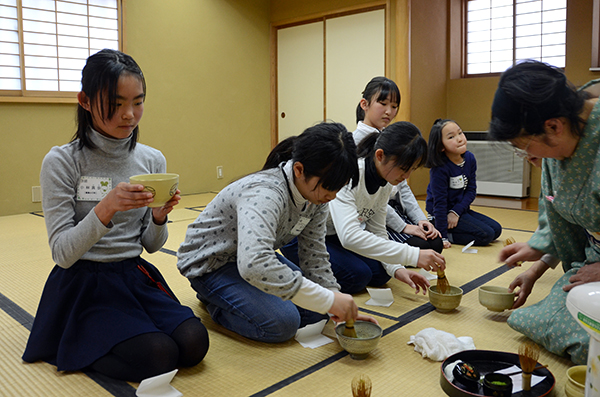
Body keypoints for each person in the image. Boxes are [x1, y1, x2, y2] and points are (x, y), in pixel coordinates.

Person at [22, 49, 209, 382]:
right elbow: (63, 253)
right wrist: (106, 207)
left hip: (133, 274)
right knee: (159, 355)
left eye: (138, 102)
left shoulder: (152, 160)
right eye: (116, 103)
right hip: (84, 281)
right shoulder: (63, 162)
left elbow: (152, 246)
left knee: (194, 344)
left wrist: (158, 217)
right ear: (85, 100)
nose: (129, 115)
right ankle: (75, 341)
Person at [177, 122, 376, 343]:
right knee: (283, 323)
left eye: (339, 188)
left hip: (249, 260)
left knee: (317, 310)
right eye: (329, 187)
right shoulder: (266, 193)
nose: (333, 196)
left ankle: (236, 298)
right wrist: (328, 299)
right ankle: (215, 301)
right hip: (211, 264)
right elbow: (254, 263)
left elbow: (314, 255)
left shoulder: (316, 198)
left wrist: (334, 299)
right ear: (299, 170)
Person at [490, 60, 600, 365]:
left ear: (553, 126)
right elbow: (561, 216)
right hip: (592, 261)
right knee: (538, 323)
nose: (530, 157)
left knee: (588, 342)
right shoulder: (563, 141)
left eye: (527, 147)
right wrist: (536, 254)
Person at [324, 122, 445, 294]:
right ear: (380, 155)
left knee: (382, 274)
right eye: (403, 169)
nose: (406, 177)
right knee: (358, 276)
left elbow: (378, 231)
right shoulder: (351, 175)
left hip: (337, 234)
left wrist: (398, 269)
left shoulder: (385, 183)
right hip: (314, 236)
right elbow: (349, 237)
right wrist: (413, 255)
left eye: (411, 170)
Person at [354, 76, 443, 253]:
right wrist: (403, 226)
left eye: (394, 106)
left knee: (435, 243)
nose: (389, 111)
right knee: (421, 247)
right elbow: (371, 201)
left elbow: (403, 186)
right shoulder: (355, 143)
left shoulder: (391, 138)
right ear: (364, 104)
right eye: (383, 104)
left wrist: (420, 219)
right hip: (372, 214)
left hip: (394, 210)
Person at [425, 119, 502, 248]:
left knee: (496, 230)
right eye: (451, 137)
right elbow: (439, 202)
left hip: (459, 211)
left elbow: (471, 191)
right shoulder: (440, 168)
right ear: (441, 146)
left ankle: (455, 225)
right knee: (486, 235)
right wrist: (442, 237)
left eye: (460, 133)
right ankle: (446, 233)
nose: (460, 139)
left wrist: (456, 212)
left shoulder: (470, 158)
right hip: (441, 215)